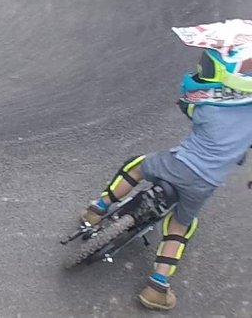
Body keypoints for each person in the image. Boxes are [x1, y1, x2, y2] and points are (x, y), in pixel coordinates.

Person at [79, 42, 252, 311]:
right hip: (205, 185)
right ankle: (157, 287)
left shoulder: (207, 106)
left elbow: (190, 106)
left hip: (175, 165)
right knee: (182, 226)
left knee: (136, 166)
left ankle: (97, 210)